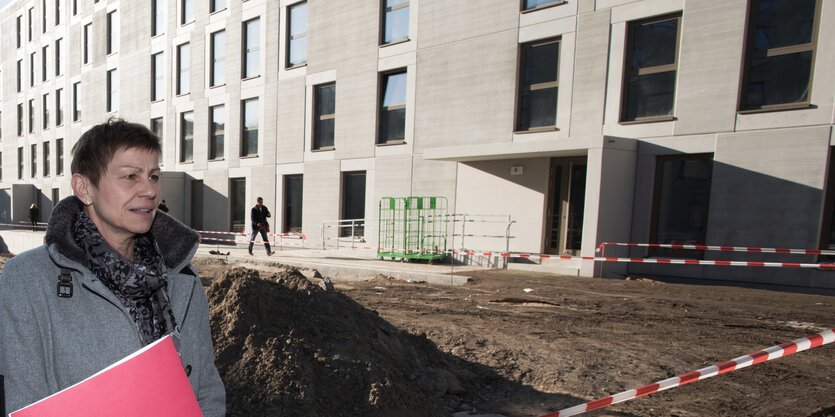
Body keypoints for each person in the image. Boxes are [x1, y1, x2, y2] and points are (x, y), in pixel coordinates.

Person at [0, 119, 226, 415]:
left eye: (154, 176)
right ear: (84, 188)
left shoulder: (183, 278)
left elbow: (207, 390)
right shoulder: (27, 280)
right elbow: (23, 400)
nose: (150, 191)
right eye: (131, 176)